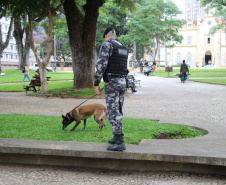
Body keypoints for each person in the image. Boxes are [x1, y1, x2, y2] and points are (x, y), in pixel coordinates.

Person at [94, 28, 128, 151]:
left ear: (106, 36)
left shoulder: (107, 45)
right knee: (118, 109)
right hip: (123, 82)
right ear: (115, 36)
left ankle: (119, 141)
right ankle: (116, 135)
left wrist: (97, 82)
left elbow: (101, 65)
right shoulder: (123, 47)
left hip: (112, 83)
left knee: (113, 112)